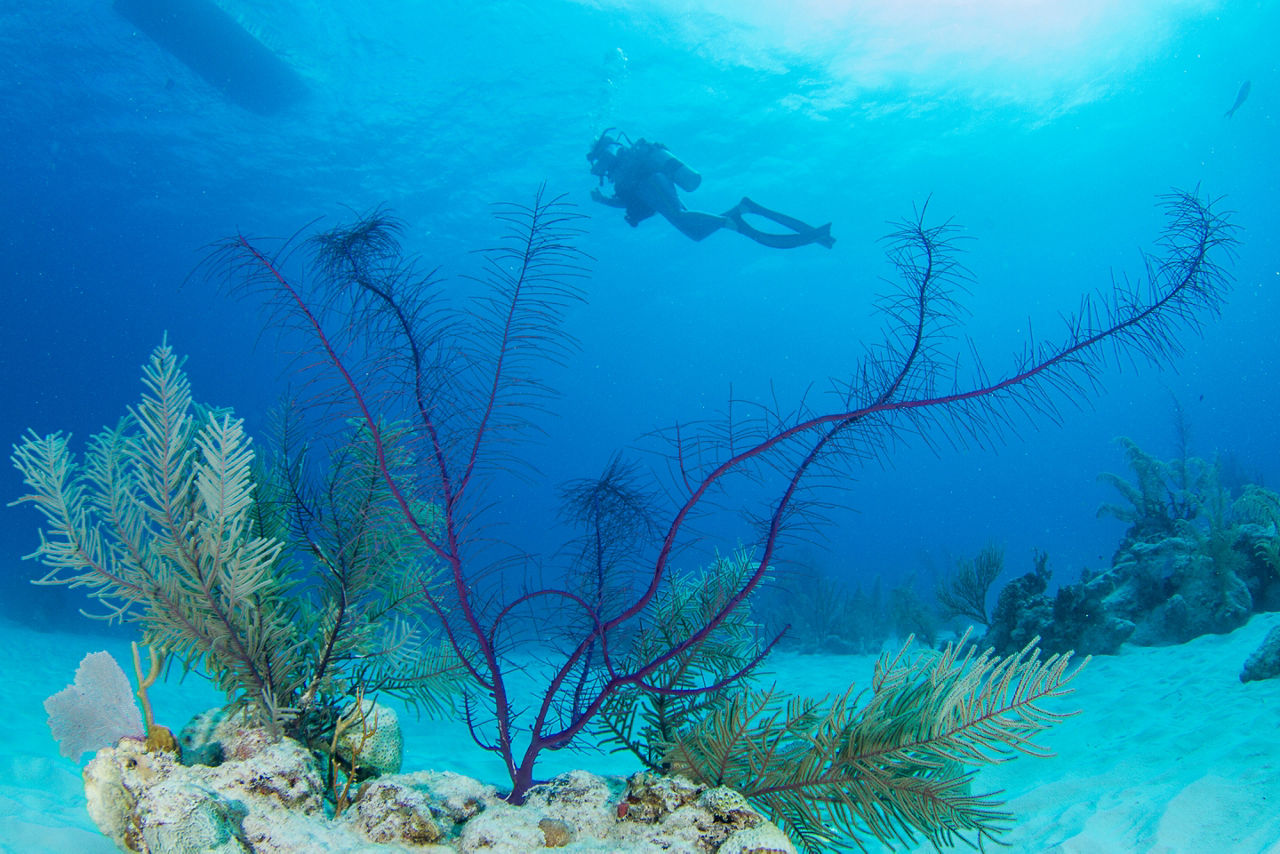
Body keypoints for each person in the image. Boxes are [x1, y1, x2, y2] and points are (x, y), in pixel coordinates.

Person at [587, 129, 835, 249]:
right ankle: (741, 209)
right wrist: (602, 200)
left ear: (604, 152)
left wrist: (603, 198)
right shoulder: (618, 173)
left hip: (654, 182)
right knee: (694, 233)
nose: (597, 168)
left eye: (597, 161)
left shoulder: (623, 164)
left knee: (681, 216)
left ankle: (731, 223)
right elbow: (626, 200)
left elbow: (630, 190)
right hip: (651, 190)